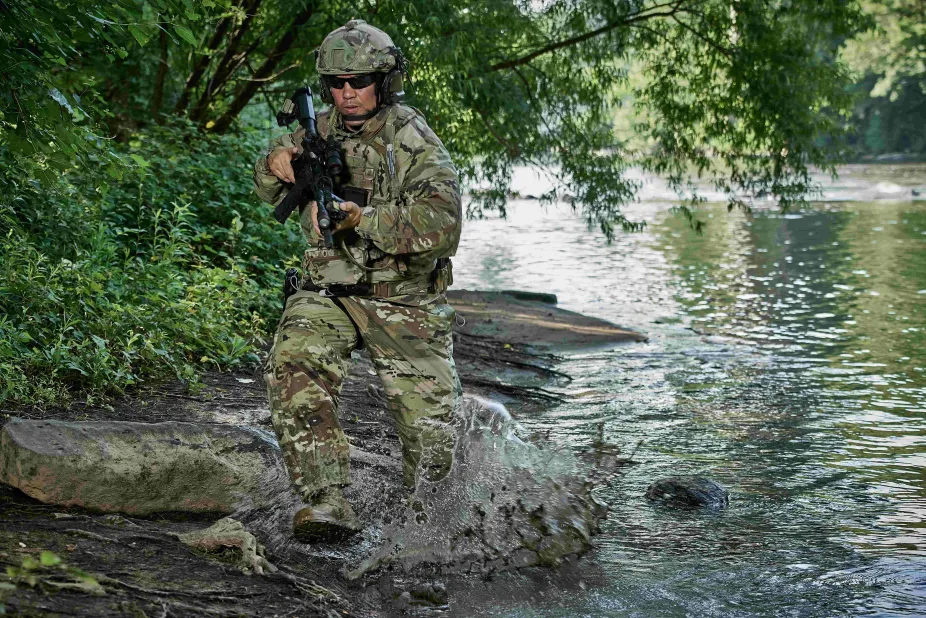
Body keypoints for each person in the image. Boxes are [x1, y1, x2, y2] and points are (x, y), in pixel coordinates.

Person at [252, 19, 463, 542]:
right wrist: (275, 163)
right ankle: (326, 500)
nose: (346, 94)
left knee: (432, 435)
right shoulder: (315, 131)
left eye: (359, 82)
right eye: (336, 85)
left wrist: (362, 219)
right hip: (328, 289)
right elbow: (267, 183)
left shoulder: (411, 138)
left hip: (404, 298)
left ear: (385, 81)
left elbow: (443, 225)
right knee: (293, 361)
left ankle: (433, 527)